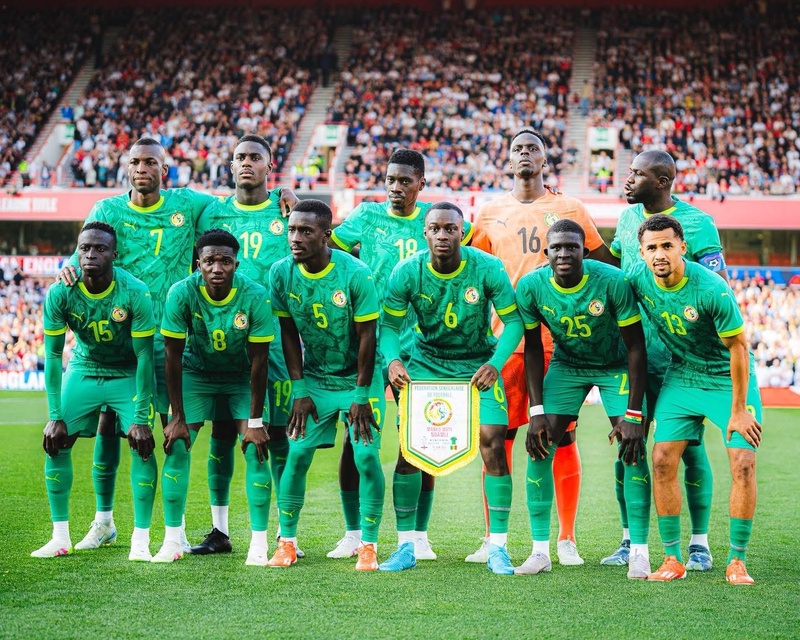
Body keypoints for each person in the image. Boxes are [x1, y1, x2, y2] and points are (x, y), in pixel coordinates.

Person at [56, 137, 296, 555]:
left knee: (213, 431)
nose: (143, 168)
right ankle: (107, 521)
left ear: (165, 169)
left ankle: (250, 533)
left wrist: (285, 192)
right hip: (127, 336)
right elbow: (85, 252)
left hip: (199, 336)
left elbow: (244, 194)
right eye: (136, 162)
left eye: (151, 162)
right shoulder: (106, 210)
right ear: (125, 167)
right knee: (117, 425)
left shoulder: (192, 204)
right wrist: (67, 266)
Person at [469, 128, 613, 564]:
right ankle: (494, 538)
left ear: (545, 161)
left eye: (534, 148)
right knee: (498, 438)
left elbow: (605, 264)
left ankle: (565, 539)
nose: (525, 154)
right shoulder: (489, 211)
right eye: (518, 149)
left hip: (557, 342)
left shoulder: (569, 208)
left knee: (559, 438)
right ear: (508, 159)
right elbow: (474, 271)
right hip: (507, 340)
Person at [327, 148, 473, 561]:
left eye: (405, 181)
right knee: (356, 439)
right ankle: (354, 533)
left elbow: (478, 240)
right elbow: (329, 249)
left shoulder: (435, 220)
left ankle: (418, 536)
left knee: (422, 440)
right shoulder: (366, 216)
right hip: (367, 345)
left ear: (421, 184)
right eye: (390, 179)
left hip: (422, 348)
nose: (395, 187)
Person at [380, 202, 523, 574]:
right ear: (424, 233)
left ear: (463, 232)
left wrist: (495, 363)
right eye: (435, 229)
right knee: (410, 449)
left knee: (493, 438)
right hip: (427, 365)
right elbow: (389, 329)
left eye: (450, 229)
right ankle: (405, 545)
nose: (442, 235)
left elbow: (513, 324)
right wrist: (393, 360)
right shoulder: (408, 270)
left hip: (477, 363)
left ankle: (498, 547)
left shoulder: (487, 267)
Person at [604, 149, 728, 570]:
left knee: (688, 451)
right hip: (634, 355)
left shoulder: (698, 223)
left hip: (681, 360)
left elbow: (718, 285)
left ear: (662, 180)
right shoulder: (626, 220)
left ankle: (699, 543)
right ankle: (628, 539)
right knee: (629, 443)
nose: (627, 179)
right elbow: (615, 269)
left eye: (636, 173)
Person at [628, 215, 761, 585]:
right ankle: (672, 558)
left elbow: (738, 349)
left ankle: (737, 561)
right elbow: (604, 279)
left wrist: (738, 409)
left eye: (667, 245)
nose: (659, 254)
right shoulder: (638, 279)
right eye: (652, 248)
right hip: (683, 376)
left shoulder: (711, 288)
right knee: (661, 459)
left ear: (682, 247)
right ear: (642, 253)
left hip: (726, 378)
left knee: (744, 462)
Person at [515, 219, 650, 578]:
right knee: (540, 443)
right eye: (556, 248)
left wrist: (634, 415)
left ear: (584, 252)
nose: (563, 253)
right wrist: (537, 410)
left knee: (632, 446)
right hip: (568, 364)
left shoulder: (611, 281)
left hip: (615, 365)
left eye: (571, 247)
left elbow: (637, 346)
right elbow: (531, 347)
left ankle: (639, 551)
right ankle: (540, 551)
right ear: (546, 253)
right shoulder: (530, 286)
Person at [267, 200, 386, 571]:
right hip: (315, 379)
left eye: (305, 231)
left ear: (326, 235)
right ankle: (286, 542)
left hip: (358, 378)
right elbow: (287, 333)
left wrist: (362, 395)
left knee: (365, 456)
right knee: (297, 452)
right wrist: (299, 390)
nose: (296, 238)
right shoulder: (281, 273)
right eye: (291, 230)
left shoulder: (355, 273)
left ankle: (368, 545)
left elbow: (369, 337)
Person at [191, 135, 295, 556]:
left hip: (274, 342)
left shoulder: (285, 209)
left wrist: (292, 194)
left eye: (255, 157)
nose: (246, 163)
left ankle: (287, 532)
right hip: (224, 344)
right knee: (221, 435)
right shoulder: (212, 211)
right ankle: (219, 531)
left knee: (281, 434)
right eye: (239, 158)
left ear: (270, 166)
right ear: (230, 166)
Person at [33, 222, 158, 561]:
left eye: (100, 248)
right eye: (84, 248)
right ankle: (59, 537)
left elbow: (146, 356)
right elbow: (54, 355)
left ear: (114, 255)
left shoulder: (134, 291)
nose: (90, 254)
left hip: (127, 370)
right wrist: (55, 416)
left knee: (143, 445)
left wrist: (143, 417)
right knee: (55, 441)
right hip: (85, 368)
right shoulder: (61, 291)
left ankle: (141, 541)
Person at [154, 229, 273, 565]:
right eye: (209, 261)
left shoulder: (254, 295)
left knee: (254, 446)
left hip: (240, 378)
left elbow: (260, 361)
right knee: (176, 443)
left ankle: (259, 543)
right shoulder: (181, 293)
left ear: (236, 263)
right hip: (197, 375)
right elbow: (172, 356)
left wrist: (254, 421)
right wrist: (176, 417)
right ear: (198, 264)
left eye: (225, 261)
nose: (217, 267)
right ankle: (172, 540)